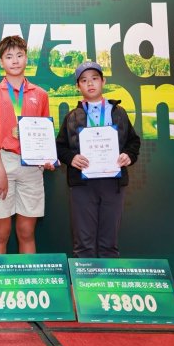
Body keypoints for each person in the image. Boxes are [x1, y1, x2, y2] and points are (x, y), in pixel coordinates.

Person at [0, 35, 54, 254]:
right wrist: (0, 171)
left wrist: (46, 158)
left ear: (26, 58)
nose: (15, 60)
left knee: (26, 231)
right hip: (2, 161)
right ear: (1, 62)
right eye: (9, 56)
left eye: (19, 55)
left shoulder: (40, 94)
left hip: (32, 165)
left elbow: (44, 132)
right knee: (1, 232)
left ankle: (26, 274)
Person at [56, 61, 140, 258]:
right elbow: (60, 147)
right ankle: (84, 278)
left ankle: (108, 277)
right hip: (82, 184)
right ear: (78, 86)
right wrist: (71, 158)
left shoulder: (119, 113)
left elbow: (133, 142)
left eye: (94, 78)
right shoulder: (71, 117)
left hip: (113, 183)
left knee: (109, 243)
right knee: (83, 244)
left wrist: (129, 155)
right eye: (84, 80)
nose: (90, 83)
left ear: (103, 81)